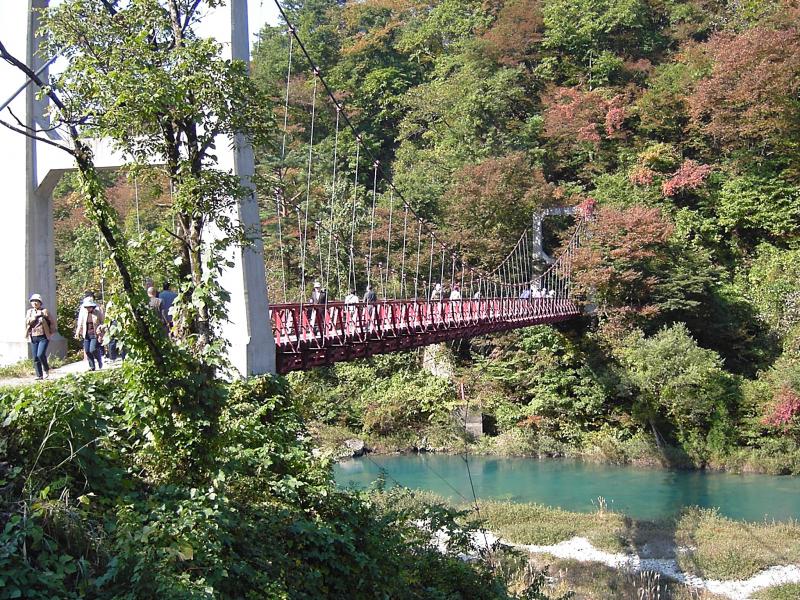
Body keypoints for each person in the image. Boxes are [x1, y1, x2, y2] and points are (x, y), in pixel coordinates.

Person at [25, 293, 53, 380]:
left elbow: (52, 322)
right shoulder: (30, 312)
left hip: (43, 336)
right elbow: (27, 322)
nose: (35, 303)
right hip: (33, 336)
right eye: (33, 301)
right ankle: (39, 375)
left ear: (40, 302)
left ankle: (46, 369)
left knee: (40, 354)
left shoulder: (45, 311)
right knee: (35, 357)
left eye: (36, 301)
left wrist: (50, 332)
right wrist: (35, 316)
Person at [75, 297, 103, 371]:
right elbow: (80, 323)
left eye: (89, 307)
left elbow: (103, 322)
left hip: (94, 334)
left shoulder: (98, 312)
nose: (88, 308)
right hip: (86, 334)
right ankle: (92, 366)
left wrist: (100, 330)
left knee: (92, 350)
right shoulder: (84, 313)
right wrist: (77, 332)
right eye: (86, 307)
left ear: (92, 306)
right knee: (87, 351)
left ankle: (99, 359)